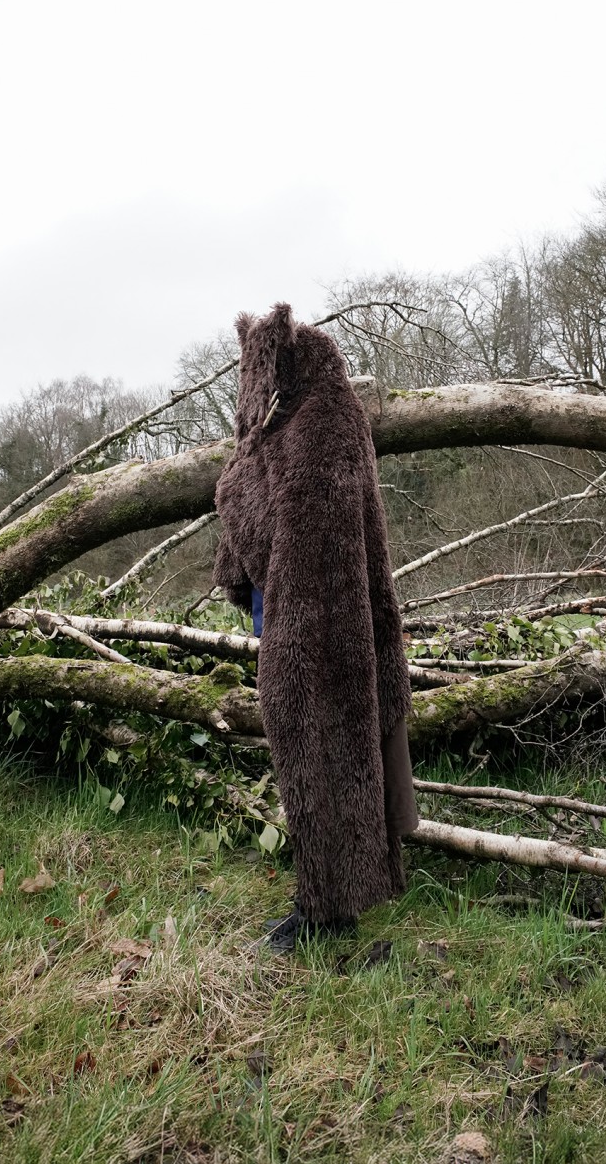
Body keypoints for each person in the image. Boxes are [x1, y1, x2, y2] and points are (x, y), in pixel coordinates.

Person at [213, 303, 418, 951]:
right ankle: (334, 891)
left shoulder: (315, 422)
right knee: (332, 749)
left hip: (314, 618)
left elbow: (279, 531)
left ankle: (324, 906)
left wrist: (230, 491)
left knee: (315, 742)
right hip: (332, 613)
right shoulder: (315, 411)